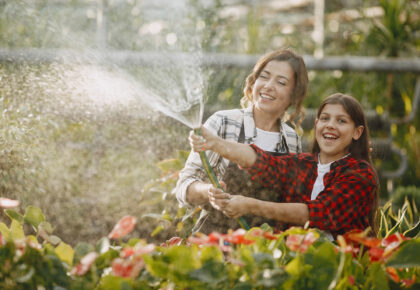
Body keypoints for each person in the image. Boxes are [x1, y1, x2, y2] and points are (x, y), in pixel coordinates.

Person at [189, 93, 379, 238]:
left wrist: (250, 206)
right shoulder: (304, 164)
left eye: (341, 121)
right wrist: (215, 143)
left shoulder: (361, 174)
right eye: (325, 118)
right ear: (316, 124)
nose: (330, 125)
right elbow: (262, 162)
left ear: (357, 132)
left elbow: (314, 213)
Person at [175, 49, 309, 234]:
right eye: (264, 77)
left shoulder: (291, 140)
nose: (269, 86)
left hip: (266, 247)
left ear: (294, 94)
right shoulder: (224, 122)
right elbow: (184, 186)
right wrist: (208, 191)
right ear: (253, 82)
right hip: (215, 242)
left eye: (281, 82)